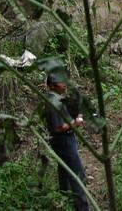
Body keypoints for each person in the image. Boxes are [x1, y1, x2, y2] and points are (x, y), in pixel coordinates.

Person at [44, 75, 90, 211]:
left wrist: (77, 116)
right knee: (77, 174)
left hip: (63, 139)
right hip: (64, 139)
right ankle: (82, 208)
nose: (64, 84)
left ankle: (64, 200)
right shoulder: (53, 101)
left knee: (64, 170)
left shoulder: (57, 99)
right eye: (60, 82)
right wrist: (74, 123)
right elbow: (58, 127)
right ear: (52, 86)